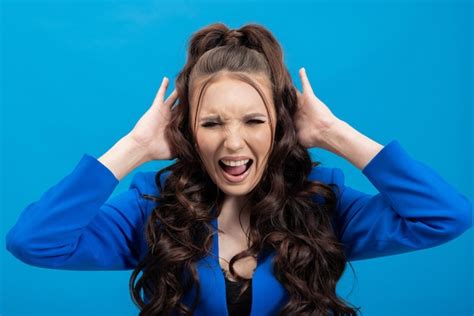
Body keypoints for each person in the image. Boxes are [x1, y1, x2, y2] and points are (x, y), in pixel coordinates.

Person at [5, 22, 472, 316]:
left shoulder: (324, 205)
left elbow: (444, 216)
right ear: (188, 131)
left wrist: (333, 132)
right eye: (211, 123)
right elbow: (34, 241)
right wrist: (135, 147)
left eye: (253, 120)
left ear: (279, 126)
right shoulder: (151, 212)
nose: (233, 142)